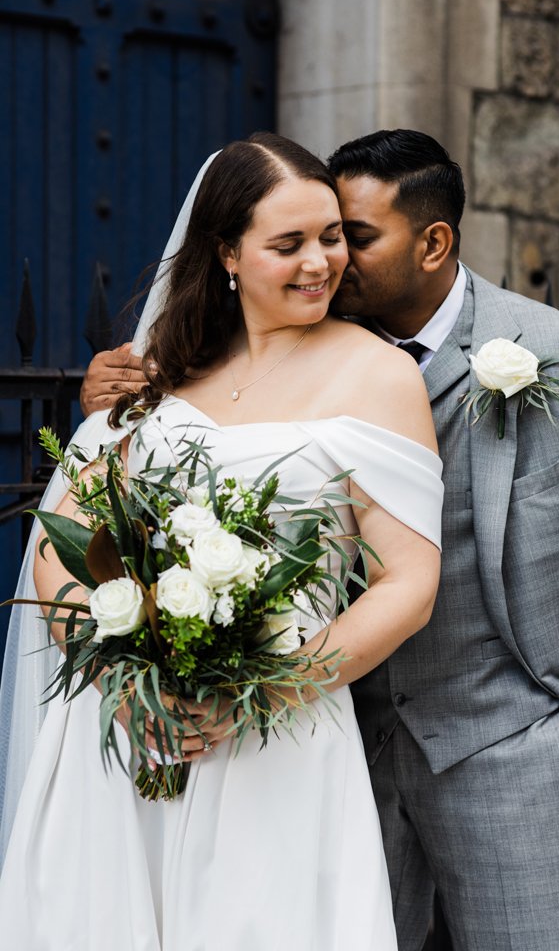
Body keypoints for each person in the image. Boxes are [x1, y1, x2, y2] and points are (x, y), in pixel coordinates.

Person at [81, 128, 559, 951]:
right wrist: (111, 392)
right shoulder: (289, 338)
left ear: (434, 241)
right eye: (311, 235)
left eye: (351, 236)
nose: (330, 259)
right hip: (337, 739)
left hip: (510, 747)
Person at [0, 133, 443, 949]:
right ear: (227, 253)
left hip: (278, 736)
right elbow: (64, 549)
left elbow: (407, 585)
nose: (320, 262)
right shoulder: (157, 371)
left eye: (332, 236)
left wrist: (261, 693)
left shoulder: (380, 376)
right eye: (289, 244)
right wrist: (126, 684)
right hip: (127, 736)